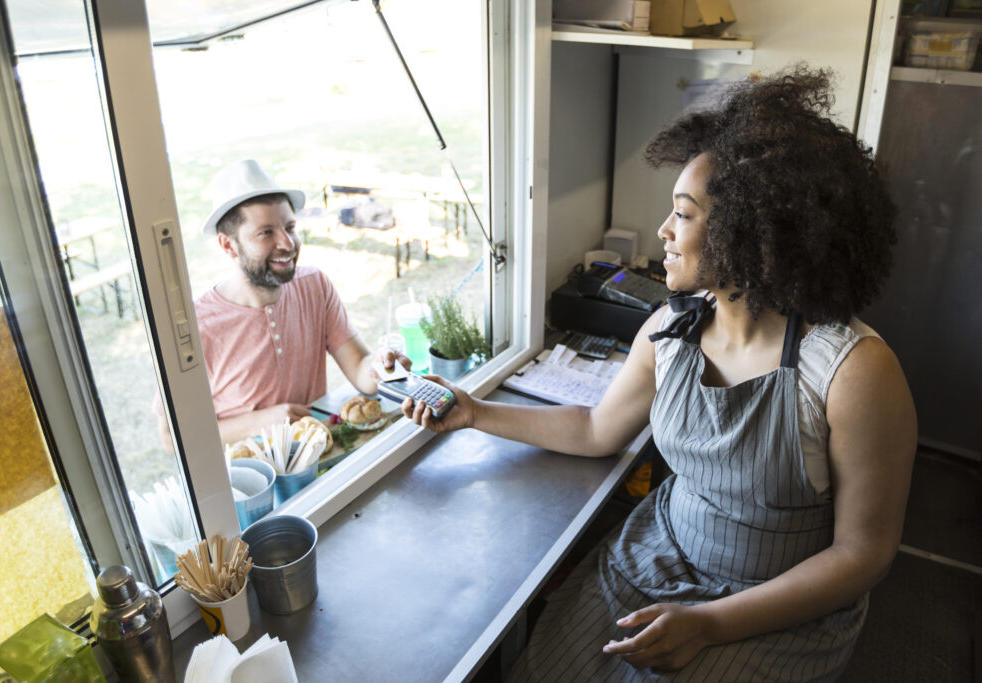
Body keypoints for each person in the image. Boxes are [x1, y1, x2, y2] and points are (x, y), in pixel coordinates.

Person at [402, 67, 917, 681]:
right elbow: (596, 429)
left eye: (684, 215)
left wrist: (711, 623)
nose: (663, 232)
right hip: (659, 557)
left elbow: (863, 554)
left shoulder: (852, 371)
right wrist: (474, 412)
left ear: (749, 232)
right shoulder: (670, 330)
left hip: (781, 606)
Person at [159, 159, 408, 448]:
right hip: (250, 471)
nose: (288, 243)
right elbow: (170, 438)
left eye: (289, 226)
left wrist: (380, 367)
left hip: (320, 455)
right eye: (266, 232)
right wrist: (260, 423)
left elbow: (360, 370)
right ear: (228, 246)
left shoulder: (314, 285)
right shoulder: (196, 327)